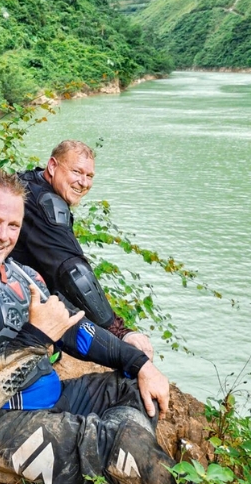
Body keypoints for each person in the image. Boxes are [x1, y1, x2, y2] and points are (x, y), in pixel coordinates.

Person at [0, 170, 187, 484]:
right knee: (113, 442)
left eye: (13, 226)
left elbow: (75, 328)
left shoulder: (19, 274)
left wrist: (139, 364)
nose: (2, 236)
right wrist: (36, 337)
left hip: (47, 401)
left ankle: (107, 475)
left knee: (130, 389)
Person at [13, 141, 155, 358]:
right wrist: (119, 331)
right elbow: (75, 274)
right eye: (77, 172)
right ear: (52, 166)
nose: (83, 182)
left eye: (89, 176)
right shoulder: (47, 205)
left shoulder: (27, 182)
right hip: (12, 296)